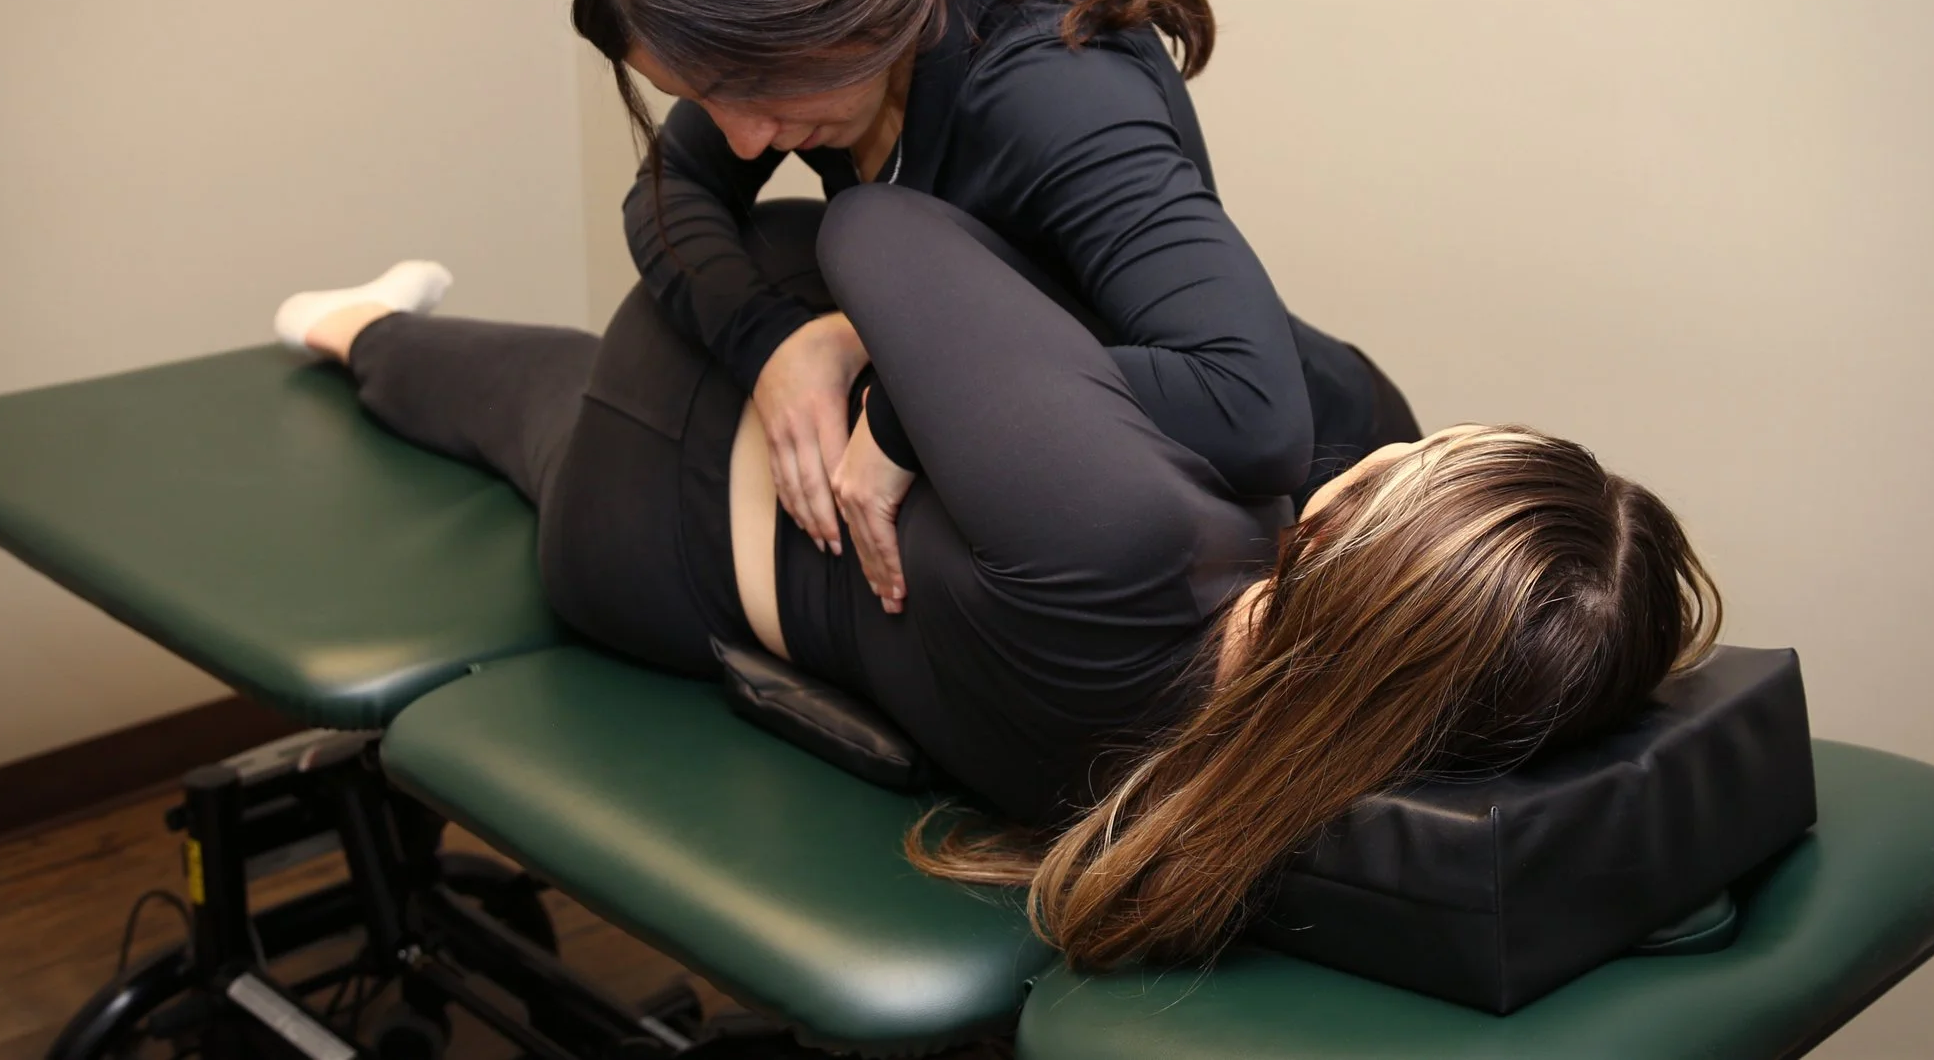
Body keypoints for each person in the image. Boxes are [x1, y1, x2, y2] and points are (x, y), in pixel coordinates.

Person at [272, 185, 1719, 971]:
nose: (1411, 439)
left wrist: (866, 355)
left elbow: (880, 223)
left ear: (1370, 545)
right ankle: (363, 328)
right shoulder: (1275, 747)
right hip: (674, 577)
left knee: (543, 394)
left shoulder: (1122, 532)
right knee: (518, 393)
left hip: (685, 443)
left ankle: (357, 331)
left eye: (1435, 455)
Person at [566, 0, 1415, 621]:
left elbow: (1251, 405)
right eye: (700, 98)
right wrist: (774, 345)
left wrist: (911, 400)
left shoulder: (1049, 84)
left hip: (1343, 509)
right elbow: (671, 193)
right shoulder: (815, 61)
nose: (739, 138)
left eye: (750, 85)